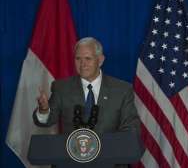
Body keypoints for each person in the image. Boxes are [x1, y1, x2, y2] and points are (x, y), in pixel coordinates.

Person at [33, 37, 140, 167]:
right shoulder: (61, 88)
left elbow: (131, 127)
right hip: (70, 163)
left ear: (100, 60)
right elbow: (47, 120)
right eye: (78, 59)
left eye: (88, 58)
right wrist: (44, 110)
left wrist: (113, 147)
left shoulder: (122, 90)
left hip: (110, 163)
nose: (82, 64)